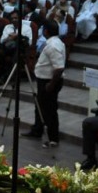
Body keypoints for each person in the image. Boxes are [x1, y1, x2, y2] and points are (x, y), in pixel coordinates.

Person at [21, 20, 66, 149]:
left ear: (46, 31)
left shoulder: (53, 46)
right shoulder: (54, 42)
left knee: (49, 110)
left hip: (49, 82)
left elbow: (59, 68)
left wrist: (51, 85)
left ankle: (53, 138)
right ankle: (37, 130)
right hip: (43, 80)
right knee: (39, 107)